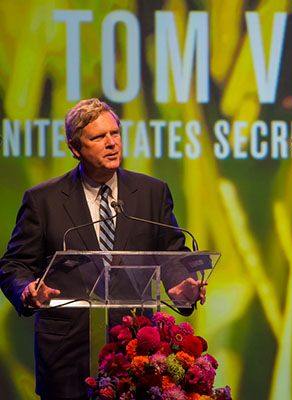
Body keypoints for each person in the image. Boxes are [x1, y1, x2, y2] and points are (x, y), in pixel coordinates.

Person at [0, 98, 206, 400]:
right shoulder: (43, 200)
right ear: (75, 148)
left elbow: (172, 252)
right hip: (68, 358)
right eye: (98, 137)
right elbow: (14, 265)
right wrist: (28, 291)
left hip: (137, 358)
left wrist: (180, 285)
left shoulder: (152, 192)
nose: (112, 144)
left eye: (115, 134)